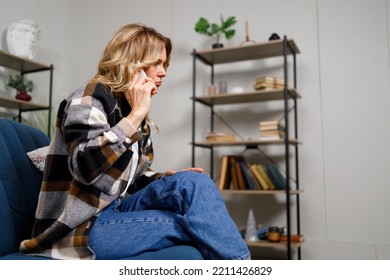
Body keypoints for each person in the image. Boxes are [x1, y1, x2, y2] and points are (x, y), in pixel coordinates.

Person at [20, 23, 251, 260]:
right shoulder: (89, 98)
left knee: (193, 182)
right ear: (132, 64)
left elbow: (134, 179)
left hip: (114, 211)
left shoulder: (132, 112)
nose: (164, 72)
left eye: (165, 64)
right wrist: (135, 117)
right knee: (200, 226)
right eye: (156, 63)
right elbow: (84, 167)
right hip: (81, 229)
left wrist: (165, 178)